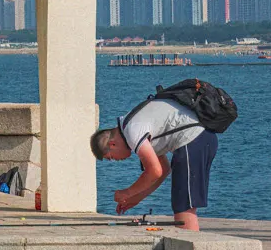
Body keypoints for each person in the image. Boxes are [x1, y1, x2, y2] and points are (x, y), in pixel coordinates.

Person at [90, 90, 214, 231]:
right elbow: (162, 171)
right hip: (201, 138)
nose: (116, 160)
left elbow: (154, 171)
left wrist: (127, 193)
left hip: (192, 139)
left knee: (184, 205)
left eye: (111, 157)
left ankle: (190, 249)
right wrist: (136, 198)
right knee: (182, 202)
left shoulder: (132, 131)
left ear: (112, 144)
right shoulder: (133, 127)